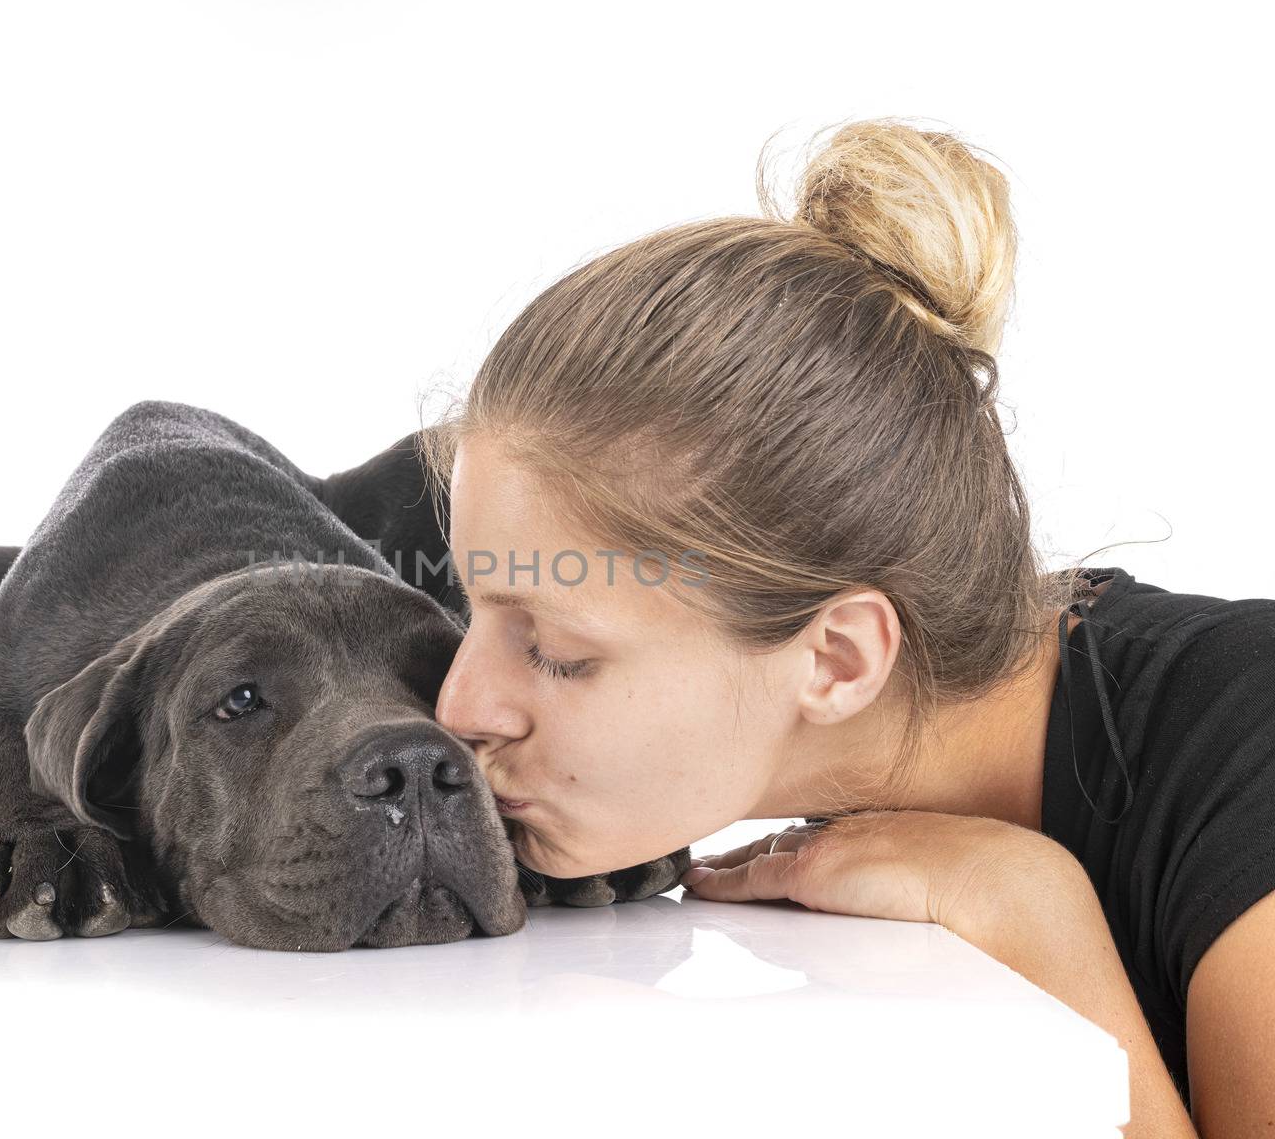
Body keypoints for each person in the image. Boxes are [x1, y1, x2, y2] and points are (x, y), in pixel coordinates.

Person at [415, 118, 1274, 1137]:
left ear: (835, 659)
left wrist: (1026, 915)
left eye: (560, 653)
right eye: (475, 608)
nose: (459, 705)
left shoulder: (1246, 763)